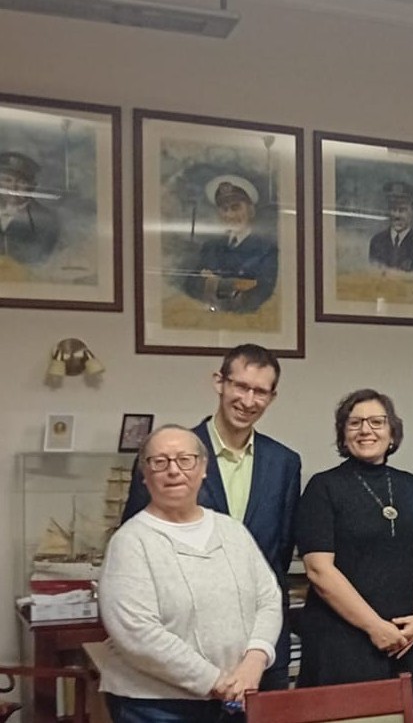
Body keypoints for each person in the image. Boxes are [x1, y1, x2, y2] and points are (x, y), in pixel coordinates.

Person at [123, 344, 301, 690]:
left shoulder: (285, 463)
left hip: (263, 648)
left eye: (260, 391)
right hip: (188, 646)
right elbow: (136, 542)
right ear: (219, 382)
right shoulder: (169, 457)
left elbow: (278, 554)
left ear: (272, 397)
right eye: (241, 386)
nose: (248, 401)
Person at [98, 425, 282, 723]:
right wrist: (215, 681)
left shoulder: (232, 531)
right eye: (160, 462)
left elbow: (269, 599)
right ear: (145, 475)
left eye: (185, 460)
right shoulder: (131, 541)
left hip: (236, 696)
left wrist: (255, 661)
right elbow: (136, 632)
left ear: (203, 468)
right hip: (157, 708)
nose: (174, 471)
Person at [296, 389, 413, 723]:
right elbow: (318, 570)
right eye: (355, 423)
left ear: (392, 432)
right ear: (343, 433)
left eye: (377, 422)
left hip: (407, 638)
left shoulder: (411, 485)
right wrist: (375, 627)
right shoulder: (323, 487)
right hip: (343, 641)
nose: (366, 430)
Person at [184, 174, 278, 313]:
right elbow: (190, 285)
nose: (230, 215)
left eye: (235, 207)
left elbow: (262, 293)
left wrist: (213, 283)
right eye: (224, 209)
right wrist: (235, 285)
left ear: (251, 210)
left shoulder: (266, 249)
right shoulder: (211, 247)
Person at [0, 150, 59, 264]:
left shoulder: (46, 219)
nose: (13, 187)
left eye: (21, 182)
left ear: (32, 185)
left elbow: (42, 260)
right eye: (7, 180)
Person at [368, 180, 413, 272]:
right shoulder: (377, 242)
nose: (397, 215)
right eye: (393, 209)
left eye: (402, 210)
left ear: (412, 211)